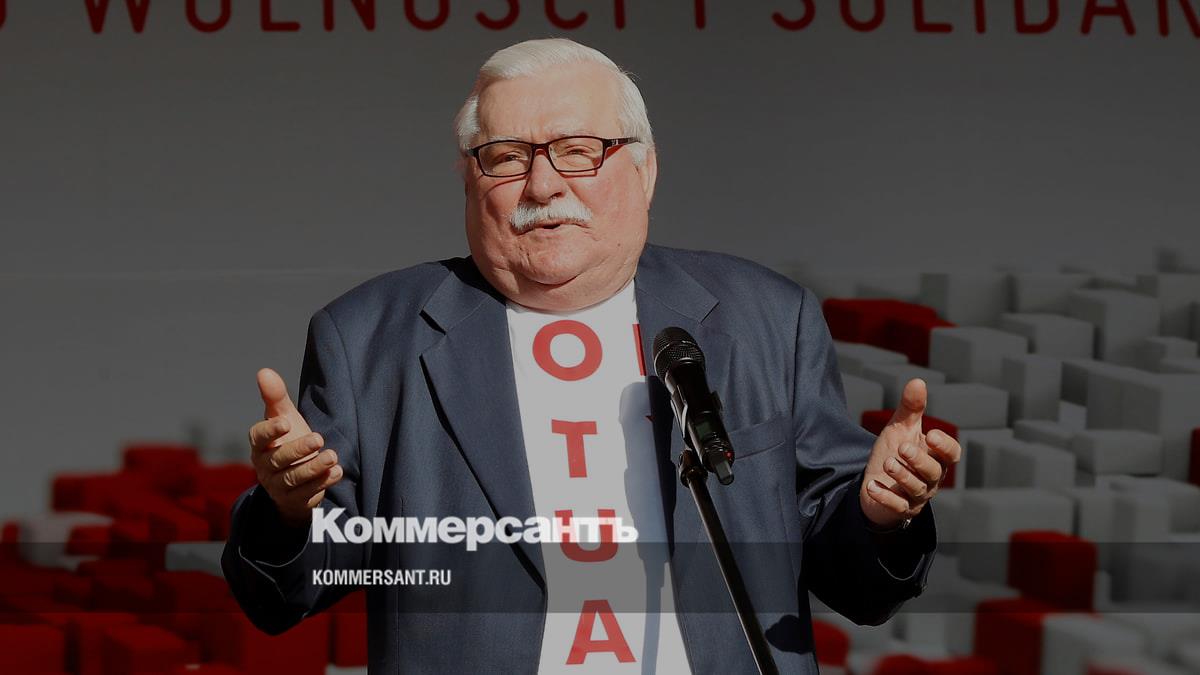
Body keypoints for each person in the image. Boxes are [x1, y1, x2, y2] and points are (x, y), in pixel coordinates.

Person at [222, 38, 961, 674]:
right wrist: (286, 514)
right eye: (506, 157)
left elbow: (857, 583)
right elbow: (282, 594)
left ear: (645, 170)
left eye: (579, 152)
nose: (544, 185)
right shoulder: (370, 337)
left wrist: (879, 515)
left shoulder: (766, 318)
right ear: (469, 180)